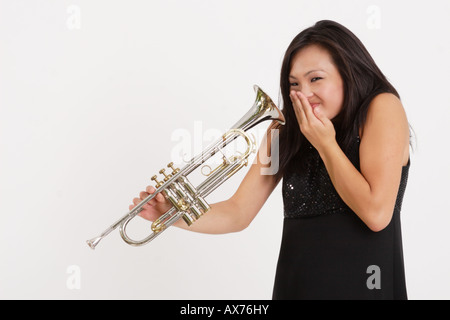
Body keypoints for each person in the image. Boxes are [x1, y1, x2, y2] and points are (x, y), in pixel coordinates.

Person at [130, 20, 411, 300]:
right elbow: (238, 211)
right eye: (294, 84)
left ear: (348, 73)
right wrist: (172, 214)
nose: (304, 93)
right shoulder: (282, 129)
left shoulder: (382, 107)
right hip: (296, 287)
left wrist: (325, 143)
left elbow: (376, 215)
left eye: (316, 79)